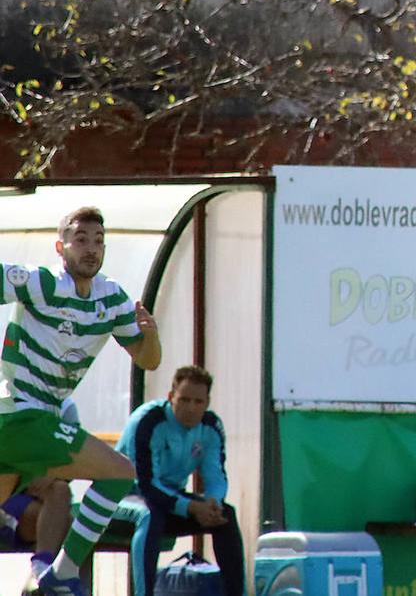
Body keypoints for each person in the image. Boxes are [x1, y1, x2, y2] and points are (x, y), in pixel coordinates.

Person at [0, 206, 162, 596]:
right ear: (61, 247)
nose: (91, 249)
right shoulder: (41, 283)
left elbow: (148, 359)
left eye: (99, 241)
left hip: (32, 423)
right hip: (21, 414)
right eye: (81, 240)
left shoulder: (112, 299)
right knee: (119, 472)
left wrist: (151, 334)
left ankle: (46, 575)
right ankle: (61, 573)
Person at [114, 365, 244, 596]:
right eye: (184, 400)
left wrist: (212, 504)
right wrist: (193, 507)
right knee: (149, 513)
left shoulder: (211, 427)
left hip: (168, 501)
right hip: (121, 498)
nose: (191, 409)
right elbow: (147, 485)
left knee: (225, 515)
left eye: (198, 402)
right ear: (170, 397)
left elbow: (216, 476)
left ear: (207, 402)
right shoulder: (147, 421)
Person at [0, 401, 80, 587]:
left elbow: (75, 457)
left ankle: (42, 571)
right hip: (10, 492)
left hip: (43, 495)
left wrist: (51, 475)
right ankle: (45, 578)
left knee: (61, 492)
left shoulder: (66, 407)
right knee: (66, 525)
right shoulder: (7, 395)